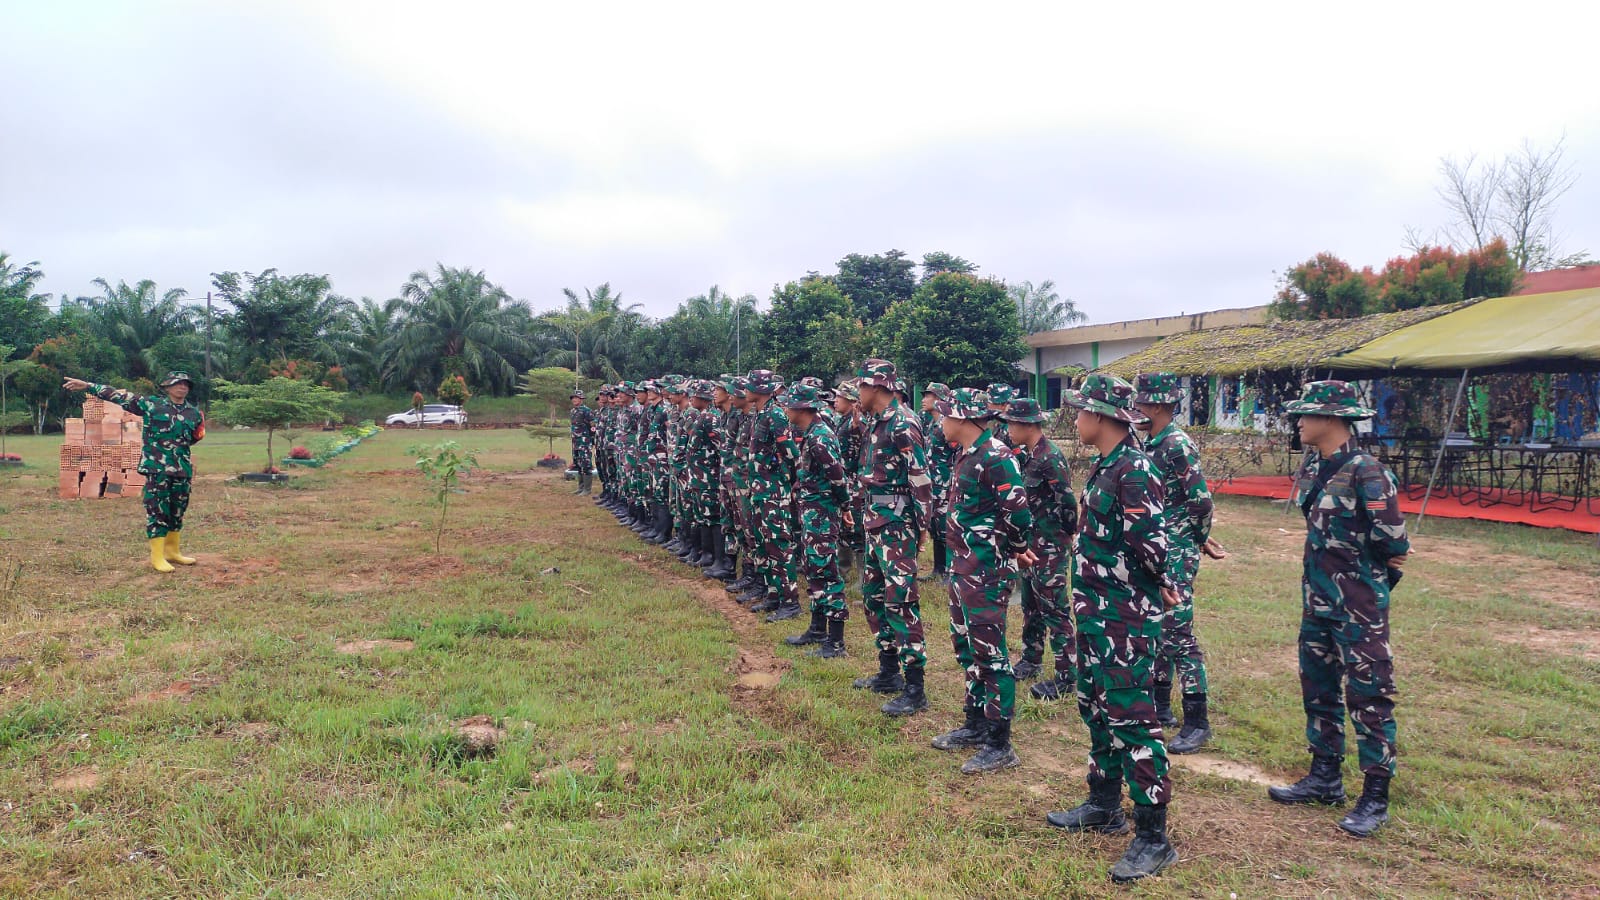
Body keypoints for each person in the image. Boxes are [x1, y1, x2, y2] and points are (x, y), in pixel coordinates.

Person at [1046, 374, 1178, 884]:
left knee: (1133, 720)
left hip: (1124, 620)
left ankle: (1153, 837)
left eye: (1081, 411)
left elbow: (1153, 546)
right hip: (1096, 615)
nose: (1076, 418)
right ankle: (1103, 803)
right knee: (1096, 707)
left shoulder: (1135, 470)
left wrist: (1157, 587)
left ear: (1101, 417)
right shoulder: (1108, 465)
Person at [1268, 380, 1409, 839]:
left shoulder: (1368, 472)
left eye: (1306, 414)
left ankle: (1375, 795)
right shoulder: (1316, 467)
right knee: (1319, 689)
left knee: (1369, 696)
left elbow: (1394, 544)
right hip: (1317, 602)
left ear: (1331, 418)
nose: (1299, 422)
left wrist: (1366, 586)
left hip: (1358, 608)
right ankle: (1325, 776)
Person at [929, 389, 1034, 773]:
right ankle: (974, 724)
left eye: (945, 415)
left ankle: (1000, 743)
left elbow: (1018, 513)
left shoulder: (996, 457)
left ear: (963, 419)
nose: (941, 422)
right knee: (967, 647)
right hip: (963, 567)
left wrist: (1017, 548)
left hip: (987, 570)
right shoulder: (966, 454)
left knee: (990, 655)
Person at [1134, 372, 1224, 754]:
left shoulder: (1177, 444)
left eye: (1140, 402)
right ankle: (1160, 706)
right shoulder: (1151, 442)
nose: (1135, 408)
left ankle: (1197, 721)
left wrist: (1197, 539)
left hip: (1176, 550)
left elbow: (1200, 502)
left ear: (1157, 406)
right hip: (1160, 546)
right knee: (1158, 626)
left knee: (1178, 634)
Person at [849, 359, 934, 717]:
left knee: (901, 600)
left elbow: (920, 478)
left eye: (861, 386)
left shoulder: (903, 423)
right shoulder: (876, 421)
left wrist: (921, 526)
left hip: (897, 524)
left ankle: (915, 687)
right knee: (873, 597)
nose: (858, 392)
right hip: (875, 522)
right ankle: (888, 671)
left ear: (877, 386)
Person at [63, 372, 206, 572]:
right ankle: (157, 557)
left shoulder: (194, 413)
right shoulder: (151, 405)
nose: (182, 387)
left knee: (177, 511)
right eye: (177, 383)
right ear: (167, 387)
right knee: (158, 511)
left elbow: (195, 436)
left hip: (182, 470)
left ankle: (172, 552)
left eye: (186, 384)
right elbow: (118, 396)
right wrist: (88, 385)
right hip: (157, 469)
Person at [1000, 399, 1078, 702]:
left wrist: (1064, 537)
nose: (1008, 429)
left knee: (1055, 610)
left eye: (1012, 423)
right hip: (1032, 545)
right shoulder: (1029, 456)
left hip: (1051, 546)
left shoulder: (1050, 457)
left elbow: (1067, 503)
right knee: (1031, 605)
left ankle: (1067, 676)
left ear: (1028, 425)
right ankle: (1031, 659)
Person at [779, 383, 852, 658]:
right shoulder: (811, 433)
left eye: (788, 404)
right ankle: (818, 628)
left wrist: (844, 506)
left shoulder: (820, 438)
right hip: (812, 512)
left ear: (801, 408)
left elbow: (837, 477)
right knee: (814, 570)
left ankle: (836, 642)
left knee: (827, 573)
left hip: (822, 514)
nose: (785, 409)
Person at [744, 370, 802, 621]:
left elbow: (790, 452)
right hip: (759, 489)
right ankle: (773, 594)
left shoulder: (776, 414)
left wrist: (787, 480)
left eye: (749, 386)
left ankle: (790, 601)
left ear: (760, 389)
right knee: (764, 544)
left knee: (779, 545)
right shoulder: (759, 413)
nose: (745, 390)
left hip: (774, 491)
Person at [920, 383, 956, 582]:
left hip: (945, 486)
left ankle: (950, 571)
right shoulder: (931, 424)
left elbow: (957, 453)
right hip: (932, 485)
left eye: (929, 396)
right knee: (935, 527)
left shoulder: (946, 425)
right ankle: (938, 569)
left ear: (941, 400)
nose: (924, 399)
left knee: (946, 529)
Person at [569, 390, 596, 495]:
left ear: (581, 399)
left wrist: (592, 440)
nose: (574, 400)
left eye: (577, 398)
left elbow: (593, 426)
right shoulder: (573, 411)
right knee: (578, 464)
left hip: (585, 442)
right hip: (576, 442)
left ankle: (587, 489)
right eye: (573, 398)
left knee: (586, 464)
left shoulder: (587, 411)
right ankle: (581, 487)